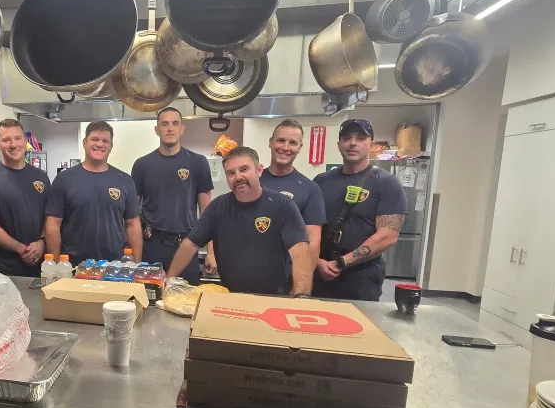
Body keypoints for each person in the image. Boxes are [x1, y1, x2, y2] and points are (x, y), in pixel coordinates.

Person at [167, 147, 312, 296]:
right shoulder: (218, 207)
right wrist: (168, 282)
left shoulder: (282, 205)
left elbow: (300, 251)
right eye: (231, 173)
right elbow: (190, 244)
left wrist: (301, 296)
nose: (238, 177)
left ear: (259, 170)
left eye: (244, 169)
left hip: (273, 296)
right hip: (231, 296)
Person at [313, 119, 408, 301]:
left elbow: (388, 236)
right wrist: (317, 262)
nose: (353, 143)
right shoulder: (321, 181)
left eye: (361, 138)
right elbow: (308, 227)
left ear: (371, 145)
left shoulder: (386, 183)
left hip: (361, 279)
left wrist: (341, 263)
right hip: (320, 274)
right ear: (339, 145)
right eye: (347, 138)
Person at [131, 107, 213, 284]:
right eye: (165, 124)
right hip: (152, 245)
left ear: (182, 128)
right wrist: (135, 257)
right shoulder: (142, 165)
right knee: (149, 298)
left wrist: (211, 252)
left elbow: (207, 211)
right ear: (157, 129)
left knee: (186, 300)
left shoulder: (197, 162)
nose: (170, 128)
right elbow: (132, 215)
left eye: (175, 124)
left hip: (186, 244)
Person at [46, 121, 142, 264]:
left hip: (115, 266)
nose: (99, 144)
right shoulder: (64, 179)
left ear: (111, 147)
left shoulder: (125, 180)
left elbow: (133, 225)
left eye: (105, 141)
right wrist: (54, 265)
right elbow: (53, 225)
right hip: (73, 266)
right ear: (85, 142)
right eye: (95, 139)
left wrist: (137, 266)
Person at [0, 118, 51, 277]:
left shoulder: (41, 176)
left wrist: (42, 242)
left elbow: (49, 216)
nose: (13, 144)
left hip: (40, 266)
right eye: (6, 140)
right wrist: (21, 249)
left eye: (17, 138)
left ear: (26, 141)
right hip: (3, 269)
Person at [259, 118, 327, 264]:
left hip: (289, 277)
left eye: (293, 143)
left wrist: (303, 283)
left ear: (300, 147)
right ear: (271, 142)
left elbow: (313, 244)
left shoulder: (310, 189)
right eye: (281, 140)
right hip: (249, 272)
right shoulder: (253, 182)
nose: (285, 147)